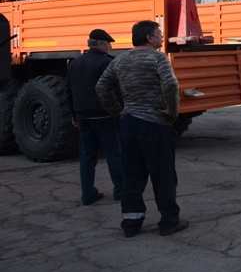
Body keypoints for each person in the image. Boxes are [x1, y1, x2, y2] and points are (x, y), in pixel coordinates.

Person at [96, 20, 188, 238]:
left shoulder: (120, 60)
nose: (162, 37)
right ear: (149, 38)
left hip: (129, 124)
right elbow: (171, 84)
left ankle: (131, 223)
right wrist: (173, 111)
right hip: (155, 124)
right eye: (159, 34)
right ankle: (168, 222)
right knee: (163, 175)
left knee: (132, 175)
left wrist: (117, 111)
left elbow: (101, 87)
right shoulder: (157, 58)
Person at [66, 28, 123, 206]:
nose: (110, 47)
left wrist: (74, 114)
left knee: (87, 156)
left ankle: (87, 194)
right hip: (105, 115)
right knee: (114, 153)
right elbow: (115, 90)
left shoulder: (74, 64)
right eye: (108, 44)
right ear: (100, 44)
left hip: (83, 117)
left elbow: (68, 91)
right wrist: (119, 110)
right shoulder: (106, 64)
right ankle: (120, 191)